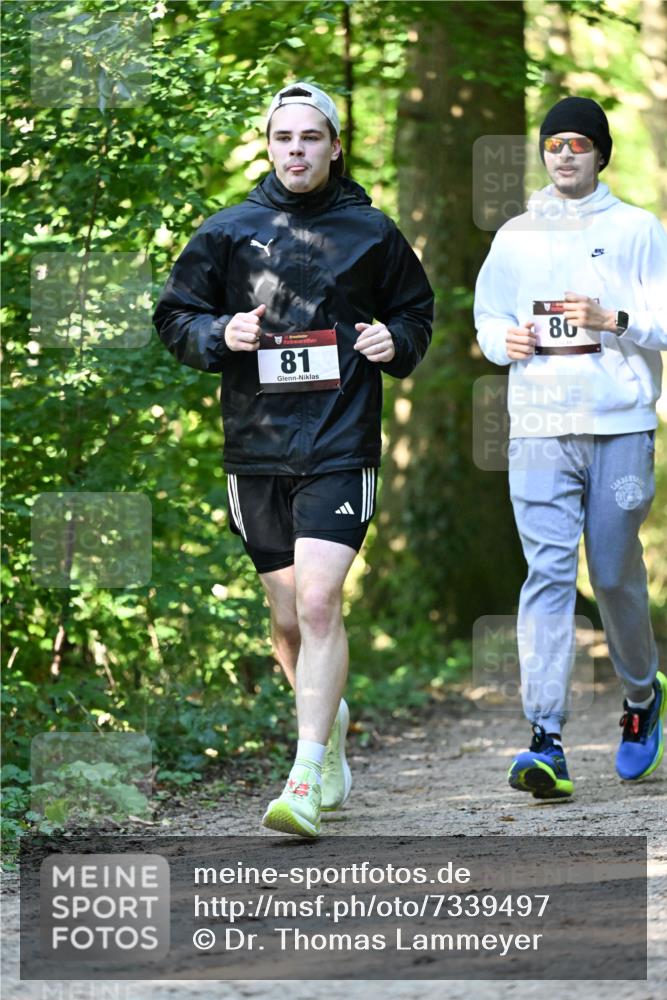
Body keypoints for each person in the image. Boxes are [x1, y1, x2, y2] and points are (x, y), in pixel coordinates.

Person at [153, 82, 433, 836]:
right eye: (284, 138)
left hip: (341, 441)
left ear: (335, 146)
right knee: (285, 622)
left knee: (317, 602)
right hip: (258, 447)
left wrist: (395, 341)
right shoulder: (228, 231)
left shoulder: (371, 231)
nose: (297, 150)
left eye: (311, 137)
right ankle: (327, 722)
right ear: (269, 145)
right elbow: (175, 315)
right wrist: (219, 335)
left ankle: (304, 775)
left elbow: (414, 311)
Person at [474, 96, 666, 800]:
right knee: (548, 575)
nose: (564, 154)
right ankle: (545, 738)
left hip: (620, 425)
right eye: (553, 143)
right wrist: (503, 340)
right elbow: (488, 315)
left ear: (600, 154)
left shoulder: (638, 229)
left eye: (578, 144)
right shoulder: (516, 235)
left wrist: (615, 318)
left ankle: (642, 696)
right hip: (537, 428)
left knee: (612, 573)